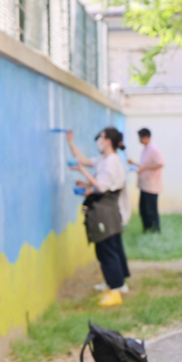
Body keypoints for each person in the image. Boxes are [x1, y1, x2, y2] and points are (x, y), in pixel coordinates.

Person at [67, 128, 130, 307]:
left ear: (108, 141)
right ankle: (115, 282)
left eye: (101, 137)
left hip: (105, 211)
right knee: (108, 247)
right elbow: (83, 161)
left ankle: (116, 289)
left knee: (107, 248)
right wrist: (70, 142)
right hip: (104, 210)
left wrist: (83, 172)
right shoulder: (105, 160)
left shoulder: (111, 161)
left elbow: (102, 187)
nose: (99, 140)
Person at [128, 128, 165, 233]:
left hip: (152, 185)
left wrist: (144, 168)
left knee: (151, 210)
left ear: (147, 137)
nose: (139, 139)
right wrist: (134, 164)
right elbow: (144, 165)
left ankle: (155, 230)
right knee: (143, 209)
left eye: (140, 137)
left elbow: (161, 163)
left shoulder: (154, 148)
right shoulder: (145, 148)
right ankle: (147, 229)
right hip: (145, 185)